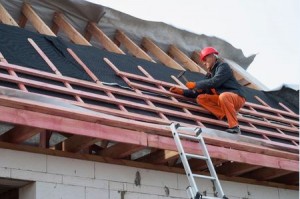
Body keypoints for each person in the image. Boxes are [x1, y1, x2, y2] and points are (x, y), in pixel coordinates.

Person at [169, 47, 246, 134]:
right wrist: (182, 91)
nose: (204, 63)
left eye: (205, 59)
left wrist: (196, 84)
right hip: (223, 100)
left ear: (213, 56)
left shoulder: (223, 66)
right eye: (203, 61)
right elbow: (200, 91)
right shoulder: (209, 74)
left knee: (224, 96)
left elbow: (215, 82)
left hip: (236, 97)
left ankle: (235, 127)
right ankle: (225, 115)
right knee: (201, 98)